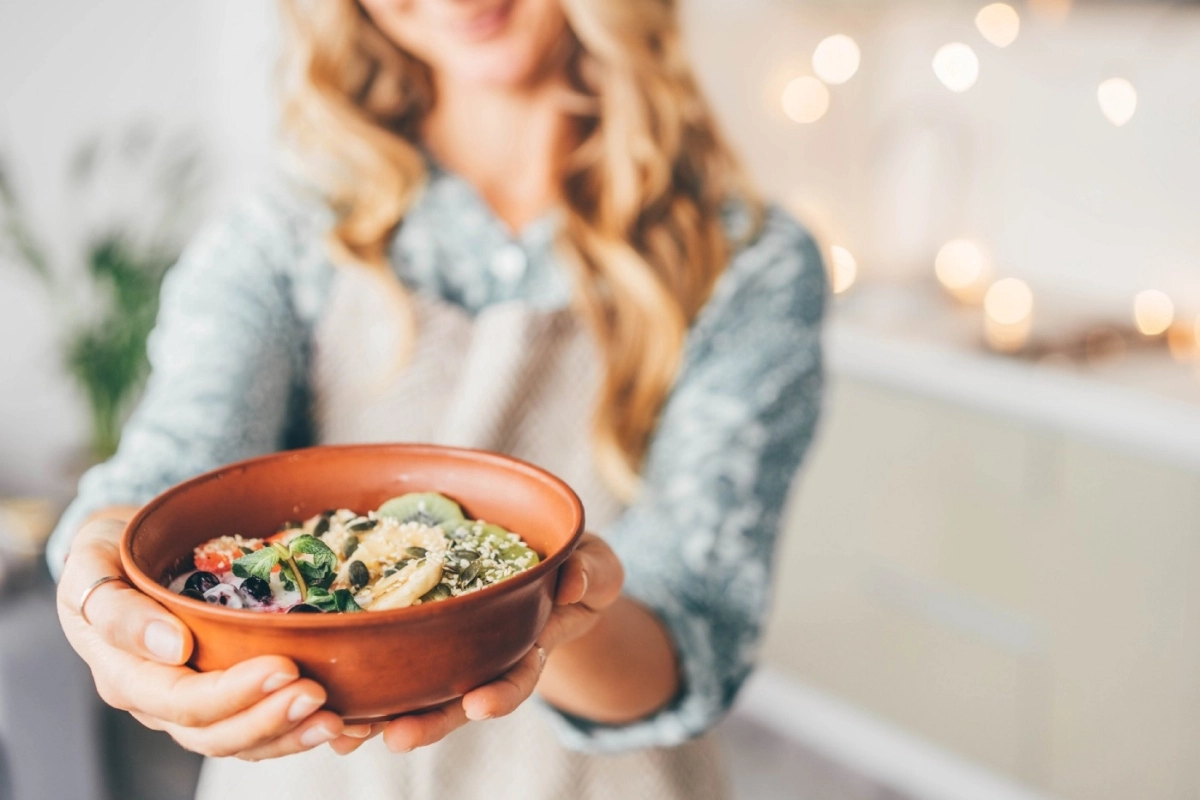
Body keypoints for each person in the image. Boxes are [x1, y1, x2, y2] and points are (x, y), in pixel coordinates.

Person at [49, 0, 826, 797]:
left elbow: (693, 641)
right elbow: (169, 473)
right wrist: (104, 568)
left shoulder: (748, 262)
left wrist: (523, 613)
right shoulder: (284, 232)